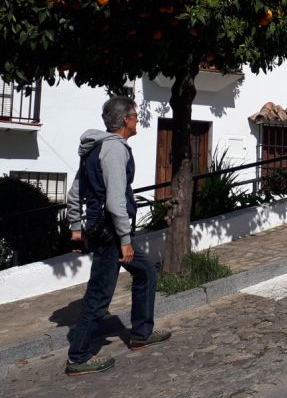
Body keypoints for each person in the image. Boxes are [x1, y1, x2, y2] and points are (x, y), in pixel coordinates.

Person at [65, 96, 170, 376]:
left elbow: (74, 193)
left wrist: (76, 228)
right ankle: (78, 357)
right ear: (125, 120)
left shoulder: (94, 148)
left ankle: (141, 333)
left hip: (102, 227)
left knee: (145, 271)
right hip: (111, 231)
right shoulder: (114, 150)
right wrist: (124, 241)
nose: (137, 120)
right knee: (100, 293)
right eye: (135, 116)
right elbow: (115, 202)